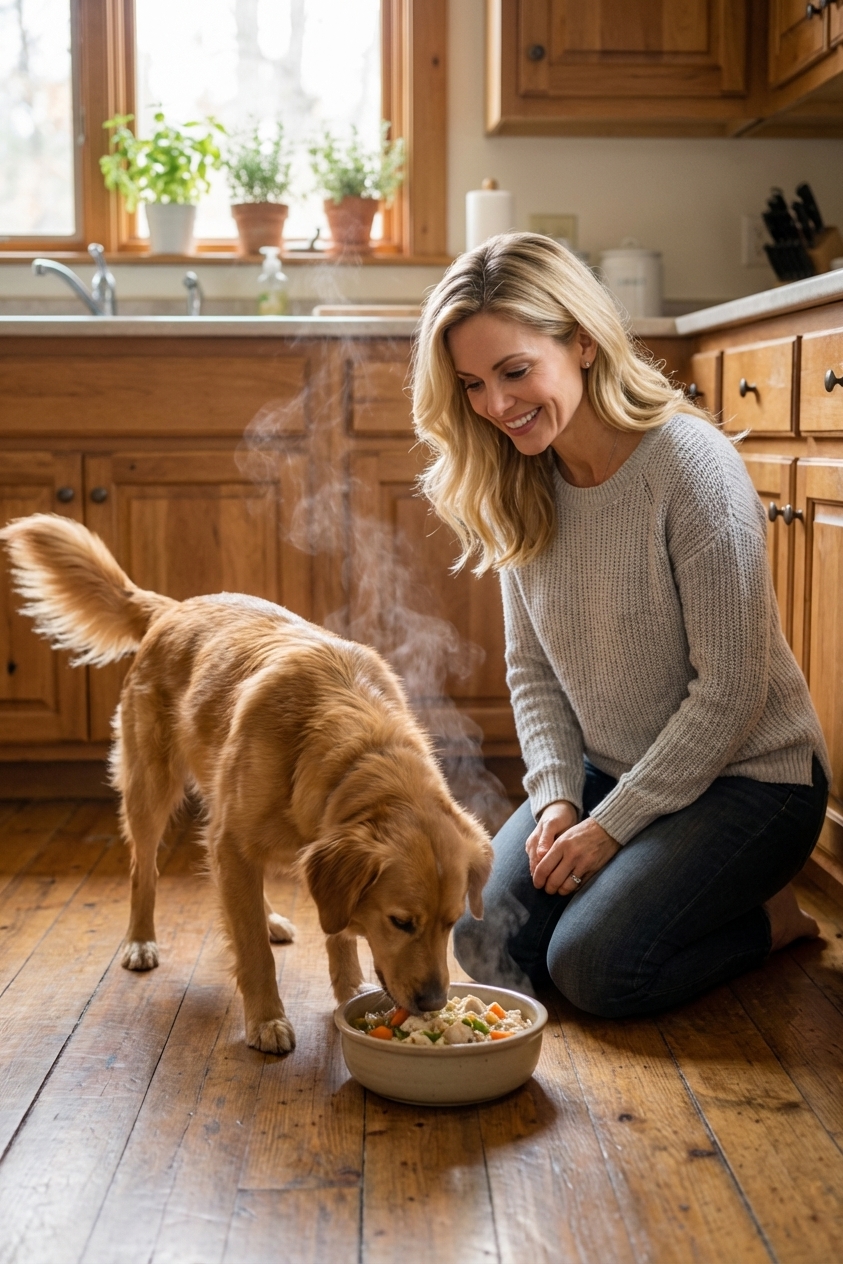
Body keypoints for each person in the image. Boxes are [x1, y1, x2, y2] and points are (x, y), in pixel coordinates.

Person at [411, 232, 830, 1017]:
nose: (495, 406)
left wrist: (611, 829)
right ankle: (637, 885)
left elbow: (730, 694)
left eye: (514, 371)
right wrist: (559, 802)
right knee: (483, 944)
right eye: (471, 384)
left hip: (751, 780)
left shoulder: (688, 469)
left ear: (582, 342)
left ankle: (768, 921)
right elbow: (532, 674)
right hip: (612, 772)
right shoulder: (517, 484)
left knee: (595, 970)